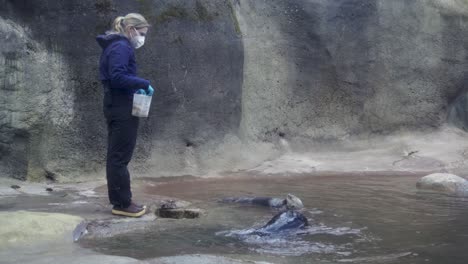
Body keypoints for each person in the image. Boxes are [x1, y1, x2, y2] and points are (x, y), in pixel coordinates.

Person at [96, 13, 154, 217]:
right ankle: (122, 204)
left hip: (117, 104)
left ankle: (120, 201)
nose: (142, 38)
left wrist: (135, 89)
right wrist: (143, 83)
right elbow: (118, 76)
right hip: (120, 108)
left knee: (116, 156)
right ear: (131, 30)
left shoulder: (116, 46)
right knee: (119, 157)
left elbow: (118, 78)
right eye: (142, 33)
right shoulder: (120, 47)